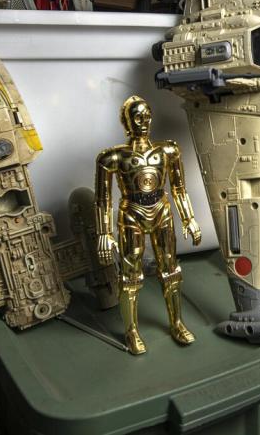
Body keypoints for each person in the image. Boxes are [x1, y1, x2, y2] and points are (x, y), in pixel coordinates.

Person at [95, 95, 202, 353]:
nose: (143, 122)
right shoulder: (112, 158)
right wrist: (103, 232)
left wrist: (189, 218)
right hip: (131, 211)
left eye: (146, 116)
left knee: (170, 268)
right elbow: (103, 199)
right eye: (136, 117)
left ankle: (176, 322)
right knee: (130, 274)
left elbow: (178, 187)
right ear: (126, 121)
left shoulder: (168, 150)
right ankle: (132, 331)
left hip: (161, 209)